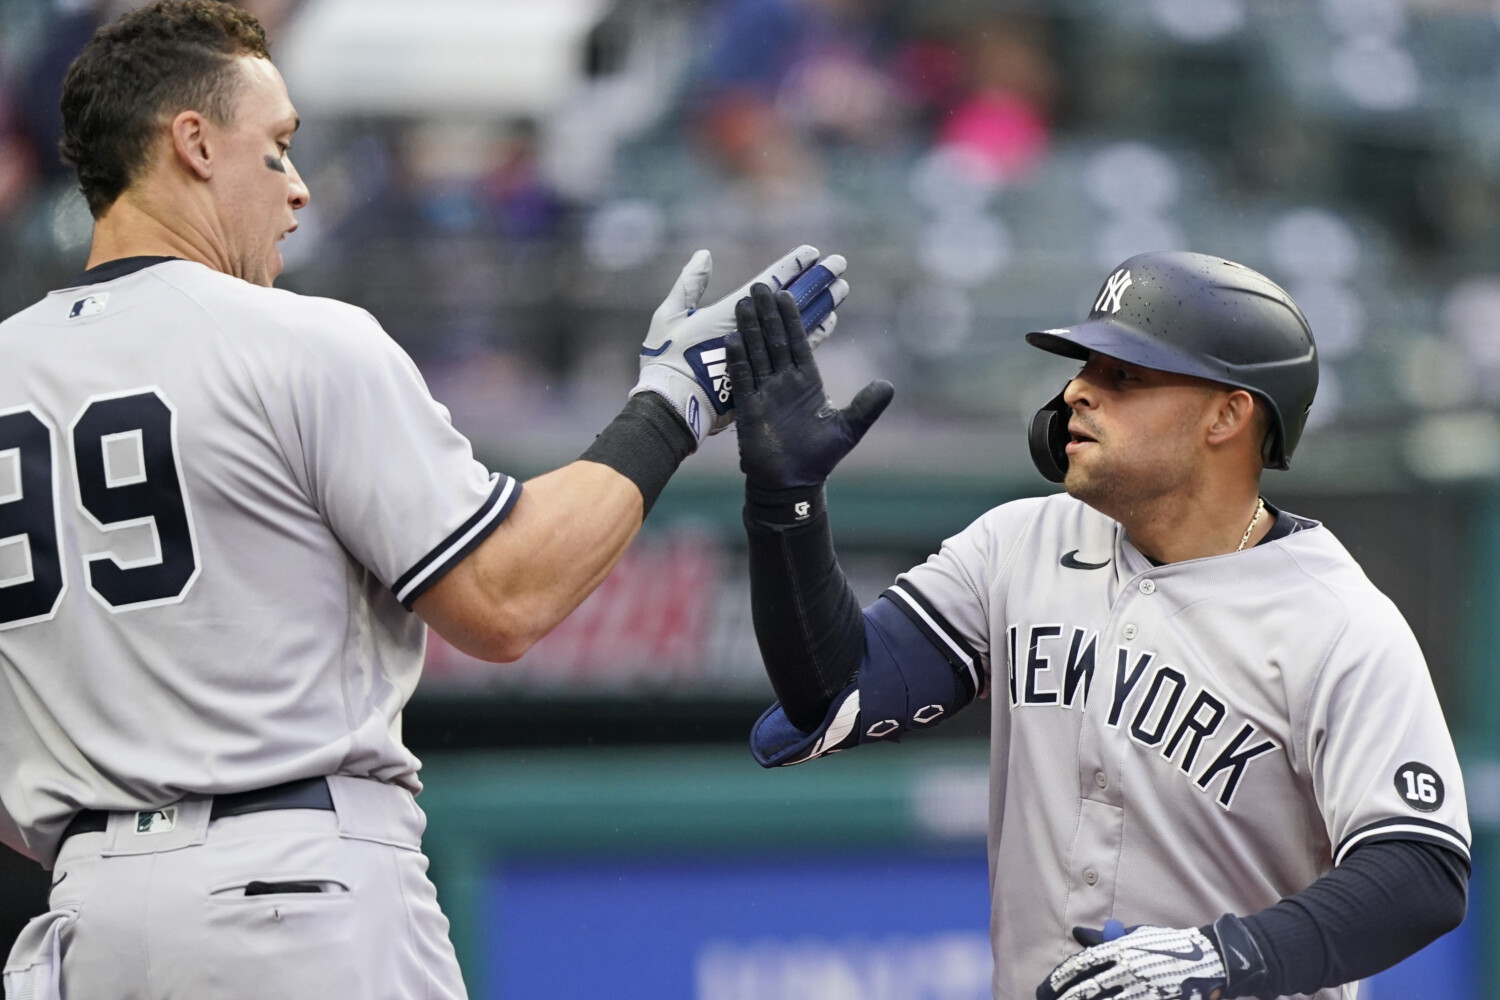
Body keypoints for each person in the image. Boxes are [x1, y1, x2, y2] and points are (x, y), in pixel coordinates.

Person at [0, 3, 848, 998]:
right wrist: (672, 404)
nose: (300, 187)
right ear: (191, 142)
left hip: (83, 918)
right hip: (290, 894)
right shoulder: (297, 339)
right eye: (276, 148)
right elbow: (503, 597)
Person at [727, 252, 1469, 1000]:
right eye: (1087, 367)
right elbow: (832, 691)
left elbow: (1421, 871)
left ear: (1228, 414)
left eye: (1127, 376)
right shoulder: (1018, 544)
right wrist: (785, 500)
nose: (1078, 389)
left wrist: (1225, 955)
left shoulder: (1339, 621)